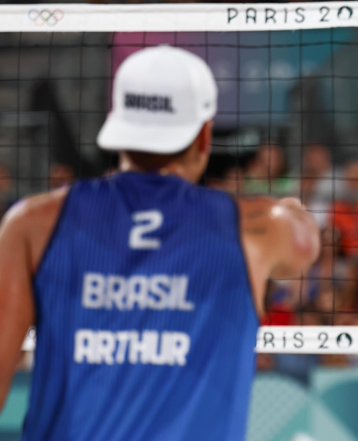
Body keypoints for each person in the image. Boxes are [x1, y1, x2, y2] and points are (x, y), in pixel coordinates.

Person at [0, 45, 320, 441]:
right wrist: (290, 209)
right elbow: (306, 243)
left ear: (116, 126)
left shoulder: (31, 223)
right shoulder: (259, 228)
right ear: (205, 136)